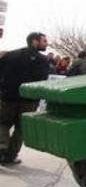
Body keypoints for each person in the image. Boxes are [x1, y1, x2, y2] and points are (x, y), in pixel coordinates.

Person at [0, 32, 50, 164]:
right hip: (28, 100)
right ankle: (9, 157)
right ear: (34, 41)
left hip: (8, 97)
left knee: (3, 123)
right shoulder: (42, 60)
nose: (47, 44)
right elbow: (42, 82)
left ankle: (2, 147)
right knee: (21, 129)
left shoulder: (10, 55)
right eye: (44, 41)